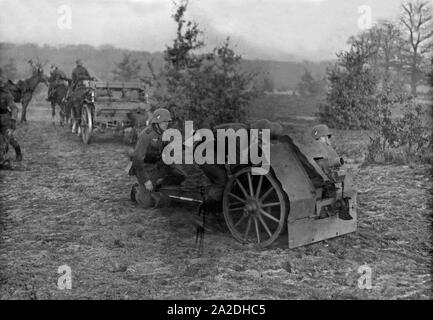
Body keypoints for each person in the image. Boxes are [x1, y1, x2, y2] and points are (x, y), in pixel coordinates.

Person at [129, 108, 186, 207]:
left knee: (180, 174)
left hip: (160, 165)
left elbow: (171, 148)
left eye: (167, 121)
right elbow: (137, 160)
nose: (166, 124)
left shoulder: (165, 132)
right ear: (156, 122)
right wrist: (146, 181)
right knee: (147, 203)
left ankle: (159, 186)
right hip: (147, 168)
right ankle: (137, 190)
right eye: (164, 122)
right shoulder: (146, 135)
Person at [0, 78, 22, 163]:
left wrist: (13, 120)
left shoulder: (6, 94)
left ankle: (18, 152)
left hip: (4, 119)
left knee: (9, 138)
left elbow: (14, 108)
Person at [70, 60, 95, 130]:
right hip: (87, 86)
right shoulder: (84, 69)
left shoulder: (74, 70)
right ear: (81, 64)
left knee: (71, 96)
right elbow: (89, 77)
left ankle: (68, 100)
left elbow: (73, 80)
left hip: (79, 86)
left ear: (76, 64)